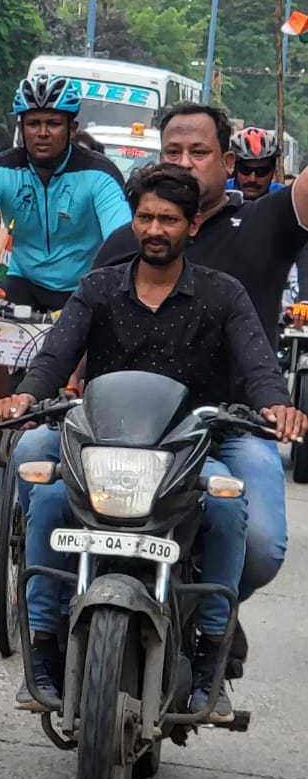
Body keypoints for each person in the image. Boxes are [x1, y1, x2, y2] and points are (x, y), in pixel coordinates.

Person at [0, 164, 303, 718]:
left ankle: (212, 649)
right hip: (105, 444)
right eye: (145, 217)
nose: (155, 229)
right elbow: (55, 356)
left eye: (168, 219)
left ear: (191, 225)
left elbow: (258, 364)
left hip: (197, 444)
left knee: (236, 511)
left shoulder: (222, 293)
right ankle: (41, 637)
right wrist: (28, 395)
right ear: (133, 222)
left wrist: (275, 403)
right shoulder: (99, 287)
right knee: (39, 480)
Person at [84, 102, 308, 630]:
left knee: (258, 545)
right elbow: (84, 333)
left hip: (231, 426)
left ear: (228, 162)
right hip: (127, 430)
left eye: (199, 152)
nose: (185, 162)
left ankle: (210, 619)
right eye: (172, 152)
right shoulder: (125, 242)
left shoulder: (267, 220)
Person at [0, 75, 130, 495]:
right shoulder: (0, 171)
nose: (42, 132)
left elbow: (121, 244)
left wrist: (113, 296)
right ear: (20, 125)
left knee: (89, 359)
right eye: (32, 122)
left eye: (53, 122)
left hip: (84, 286)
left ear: (72, 127)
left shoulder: (100, 175)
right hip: (25, 280)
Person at [227, 126, 284, 200]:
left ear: (273, 172)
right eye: (245, 170)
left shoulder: (282, 196)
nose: (252, 179)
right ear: (235, 170)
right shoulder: (220, 192)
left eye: (262, 171)